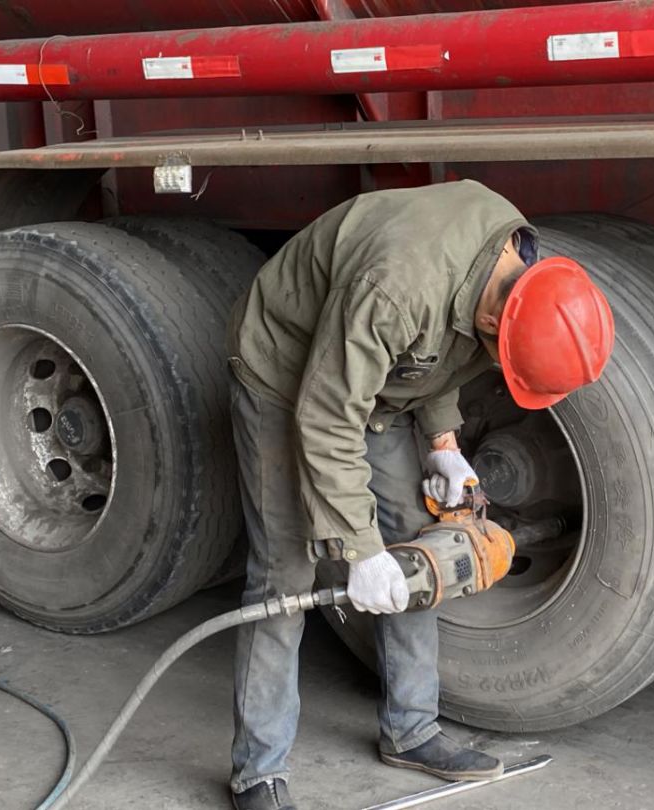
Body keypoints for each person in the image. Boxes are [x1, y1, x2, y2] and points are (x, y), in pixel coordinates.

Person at [224, 180, 614, 810]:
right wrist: (358, 550)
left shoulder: (511, 254)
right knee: (285, 579)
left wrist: (442, 440)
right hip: (285, 370)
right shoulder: (396, 289)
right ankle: (258, 771)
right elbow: (326, 416)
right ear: (497, 318)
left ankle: (411, 729)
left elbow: (444, 347)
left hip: (366, 380)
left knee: (418, 552)